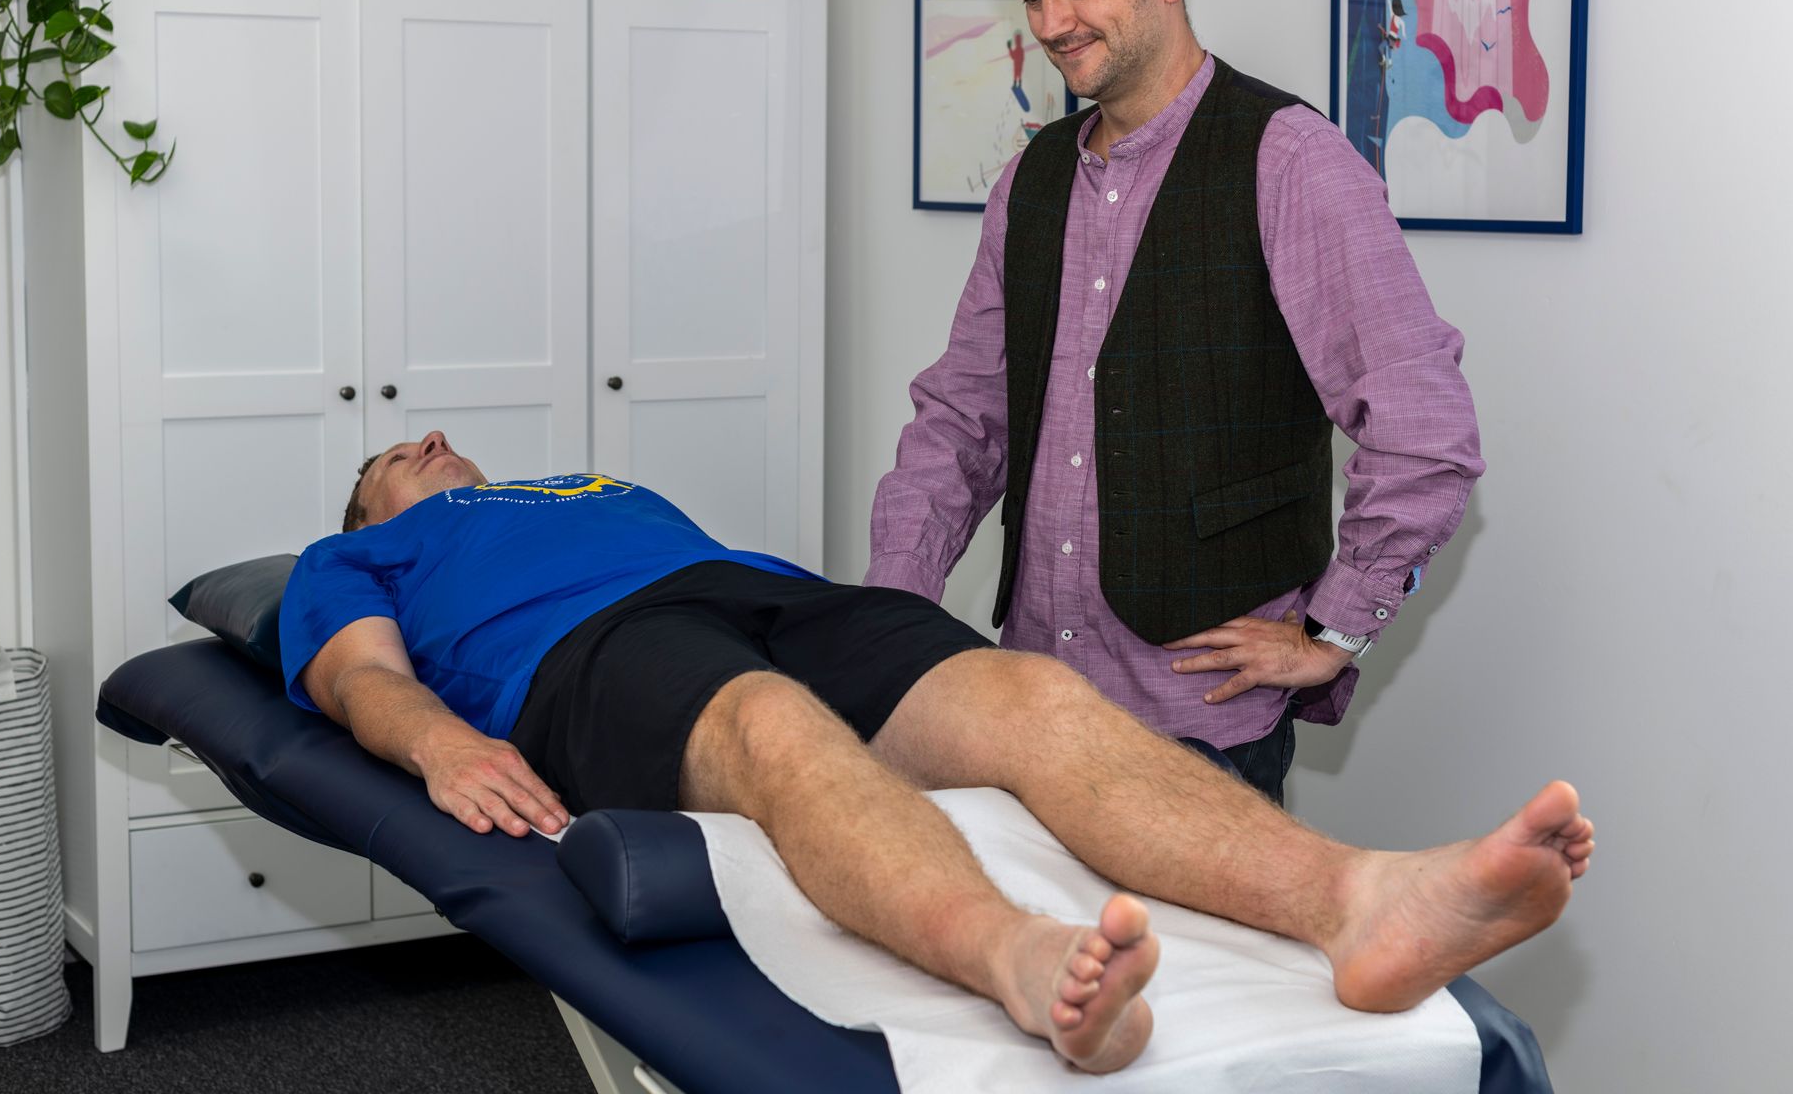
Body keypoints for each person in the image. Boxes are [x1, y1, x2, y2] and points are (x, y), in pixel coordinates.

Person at [282, 430, 1592, 1076]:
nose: (424, 438)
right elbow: (361, 681)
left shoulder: (595, 486)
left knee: (1025, 694)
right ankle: (1017, 960)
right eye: (391, 454)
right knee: (766, 728)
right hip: (577, 654)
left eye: (433, 434)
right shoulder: (361, 557)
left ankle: (1361, 902)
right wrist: (441, 744)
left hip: (757, 586)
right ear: (369, 508)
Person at [868, 0, 1486, 801]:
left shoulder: (1291, 163)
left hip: (1201, 732)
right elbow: (963, 415)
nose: (1052, 23)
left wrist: (1334, 630)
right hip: (1028, 704)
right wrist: (891, 610)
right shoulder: (1030, 181)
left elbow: (1424, 429)